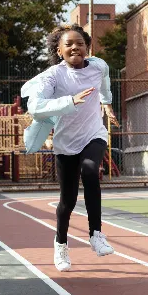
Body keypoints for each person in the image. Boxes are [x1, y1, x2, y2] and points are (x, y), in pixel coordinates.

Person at [23, 23, 119, 272]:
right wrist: (69, 101)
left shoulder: (99, 66)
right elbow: (35, 107)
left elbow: (105, 86)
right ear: (59, 50)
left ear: (88, 47)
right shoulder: (53, 76)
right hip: (66, 144)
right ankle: (61, 244)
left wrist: (107, 104)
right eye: (69, 44)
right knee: (67, 201)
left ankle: (96, 234)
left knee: (90, 171)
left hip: (93, 134)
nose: (75, 47)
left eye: (80, 43)